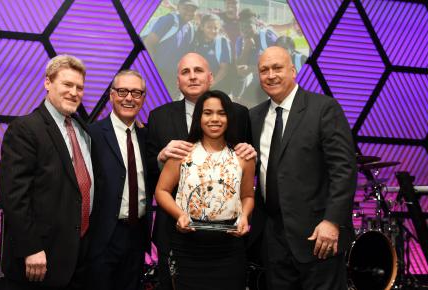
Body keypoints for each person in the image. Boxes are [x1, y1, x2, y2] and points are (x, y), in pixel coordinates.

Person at [249, 46, 357, 289]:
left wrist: (332, 221)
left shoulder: (323, 109)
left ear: (293, 70)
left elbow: (344, 169)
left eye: (277, 68)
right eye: (264, 70)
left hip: (319, 235)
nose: (271, 75)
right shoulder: (254, 117)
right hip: (273, 239)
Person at [147, 52, 255, 290]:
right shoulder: (158, 117)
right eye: (185, 72)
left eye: (198, 70)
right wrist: (160, 158)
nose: (192, 77)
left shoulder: (240, 114)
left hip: (228, 243)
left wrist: (244, 215)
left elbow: (245, 185)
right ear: (177, 80)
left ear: (211, 76)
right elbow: (153, 179)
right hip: (178, 238)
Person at [0, 55, 96, 289]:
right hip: (39, 259)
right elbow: (14, 196)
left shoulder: (83, 129)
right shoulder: (25, 128)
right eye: (67, 84)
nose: (74, 92)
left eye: (79, 87)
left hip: (78, 255)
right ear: (47, 83)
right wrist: (31, 248)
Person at [87, 70, 151, 290]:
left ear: (143, 98)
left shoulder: (147, 136)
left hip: (137, 235)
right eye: (122, 91)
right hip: (102, 237)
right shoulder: (91, 134)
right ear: (111, 95)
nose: (129, 98)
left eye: (136, 93)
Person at [142, 0, 199, 97]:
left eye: (192, 10)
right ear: (179, 7)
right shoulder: (169, 20)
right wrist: (152, 70)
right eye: (186, 8)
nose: (189, 12)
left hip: (173, 78)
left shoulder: (191, 28)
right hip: (156, 75)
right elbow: (148, 43)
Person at [234, 9, 277, 107]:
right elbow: (241, 72)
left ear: (256, 25)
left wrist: (252, 69)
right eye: (242, 26)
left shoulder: (267, 38)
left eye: (248, 26)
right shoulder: (240, 42)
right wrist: (246, 49)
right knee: (243, 107)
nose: (244, 29)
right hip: (259, 82)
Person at [191, 13, 232, 91]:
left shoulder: (222, 42)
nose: (213, 31)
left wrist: (209, 85)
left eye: (216, 28)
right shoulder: (196, 39)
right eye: (209, 27)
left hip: (215, 87)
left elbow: (224, 69)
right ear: (202, 27)